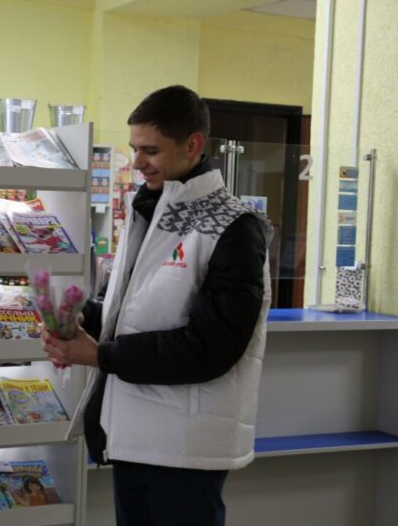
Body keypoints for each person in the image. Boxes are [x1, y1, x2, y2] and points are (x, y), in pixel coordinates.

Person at [44, 85, 272, 526]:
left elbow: (212, 347)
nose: (137, 163)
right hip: (131, 433)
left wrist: (100, 355)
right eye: (134, 149)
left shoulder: (234, 226)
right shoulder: (149, 211)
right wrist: (81, 317)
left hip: (186, 445)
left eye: (150, 150)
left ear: (193, 145)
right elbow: (134, 310)